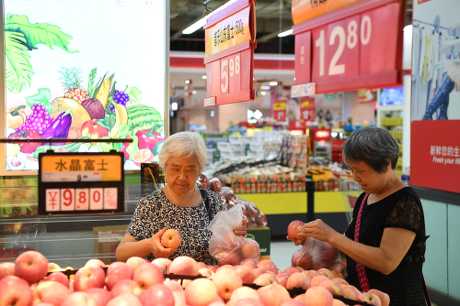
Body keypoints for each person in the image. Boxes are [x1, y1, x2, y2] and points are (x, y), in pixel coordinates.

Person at [298, 127, 429, 306]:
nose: (355, 177)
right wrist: (316, 246)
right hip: (363, 296)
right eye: (352, 170)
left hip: (396, 299)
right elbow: (355, 243)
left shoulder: (405, 203)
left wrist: (332, 236)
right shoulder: (365, 197)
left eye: (361, 171)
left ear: (387, 163)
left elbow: (386, 261)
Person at [116, 131, 246, 264]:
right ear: (164, 167)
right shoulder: (151, 205)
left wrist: (236, 235)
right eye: (175, 168)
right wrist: (149, 245)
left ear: (199, 170)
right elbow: (121, 252)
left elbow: (229, 250)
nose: (182, 177)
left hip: (206, 281)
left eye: (190, 169)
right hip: (163, 282)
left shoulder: (213, 202)